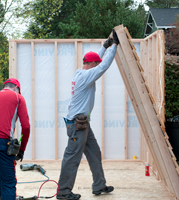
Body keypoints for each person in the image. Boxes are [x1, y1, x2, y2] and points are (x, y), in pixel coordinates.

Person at [57, 32, 121, 200]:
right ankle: (63, 192)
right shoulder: (86, 76)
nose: (96, 66)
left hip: (81, 123)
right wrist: (114, 47)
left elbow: (96, 61)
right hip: (77, 126)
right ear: (91, 64)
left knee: (94, 152)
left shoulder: (81, 72)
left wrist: (104, 46)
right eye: (95, 64)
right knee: (72, 158)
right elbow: (103, 66)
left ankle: (99, 185)